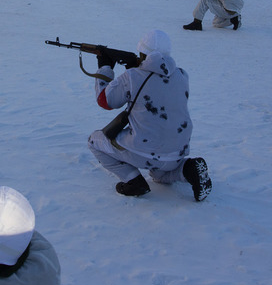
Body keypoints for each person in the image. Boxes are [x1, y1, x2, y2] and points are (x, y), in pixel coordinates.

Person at [88, 29, 212, 201]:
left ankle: (133, 181)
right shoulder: (182, 75)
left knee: (95, 141)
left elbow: (105, 101)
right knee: (159, 175)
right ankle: (188, 169)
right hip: (177, 151)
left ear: (142, 53)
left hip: (143, 150)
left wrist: (105, 67)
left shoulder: (132, 76)